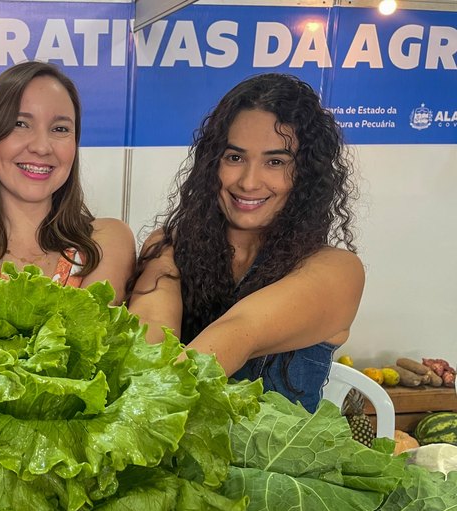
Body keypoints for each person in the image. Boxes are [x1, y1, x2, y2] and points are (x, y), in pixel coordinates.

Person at [127, 73, 364, 413]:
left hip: (281, 465)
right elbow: (151, 324)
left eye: (276, 162)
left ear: (307, 174)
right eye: (234, 158)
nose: (249, 182)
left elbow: (240, 333)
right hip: (178, 460)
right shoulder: (169, 246)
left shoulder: (338, 271)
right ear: (212, 163)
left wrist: (139, 409)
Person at [0, 61, 135, 302]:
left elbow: (92, 332)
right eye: (20, 124)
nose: (42, 147)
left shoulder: (107, 242)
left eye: (60, 129)